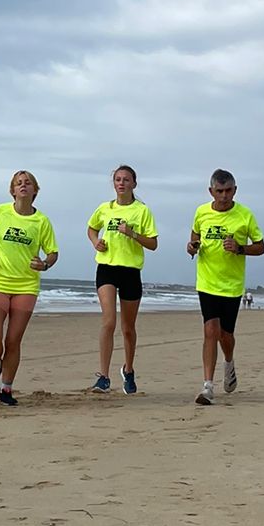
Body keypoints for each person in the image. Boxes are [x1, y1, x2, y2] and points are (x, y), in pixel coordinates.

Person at [187, 170, 264, 405]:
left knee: (225, 335)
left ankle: (229, 362)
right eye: (219, 191)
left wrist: (240, 248)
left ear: (235, 190)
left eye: (228, 191)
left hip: (231, 285)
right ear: (211, 191)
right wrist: (192, 247)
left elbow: (260, 247)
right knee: (210, 330)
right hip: (207, 282)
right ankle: (208, 387)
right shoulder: (201, 212)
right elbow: (194, 237)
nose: (223, 196)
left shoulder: (244, 215)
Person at [0, 171, 58, 406]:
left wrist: (44, 264)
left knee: (13, 340)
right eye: (18, 183)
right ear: (12, 190)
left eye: (28, 183)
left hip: (26, 285)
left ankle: (6, 388)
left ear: (35, 190)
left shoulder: (41, 221)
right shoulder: (0, 212)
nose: (23, 186)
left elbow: (53, 252)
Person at [87, 165, 158, 394]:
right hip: (106, 268)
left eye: (126, 180)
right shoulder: (105, 208)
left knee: (128, 328)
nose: (121, 183)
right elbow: (91, 228)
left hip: (130, 271)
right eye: (118, 179)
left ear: (134, 184)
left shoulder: (142, 211)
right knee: (109, 321)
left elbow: (153, 243)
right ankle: (103, 377)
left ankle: (128, 370)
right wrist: (96, 242)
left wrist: (132, 234)